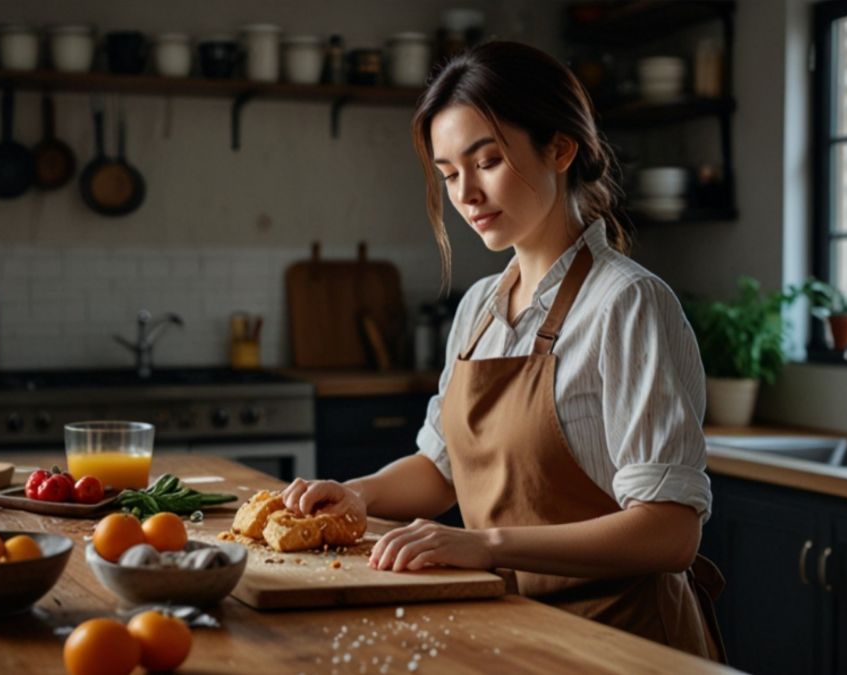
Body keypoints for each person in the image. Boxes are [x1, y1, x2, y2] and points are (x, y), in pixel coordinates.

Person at [281, 41, 725, 662]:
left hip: (623, 645)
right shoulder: (480, 307)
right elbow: (439, 470)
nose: (466, 194)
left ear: (560, 149)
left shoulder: (627, 304)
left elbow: (669, 532)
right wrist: (357, 494)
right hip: (515, 636)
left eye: (486, 161)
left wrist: (485, 545)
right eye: (448, 174)